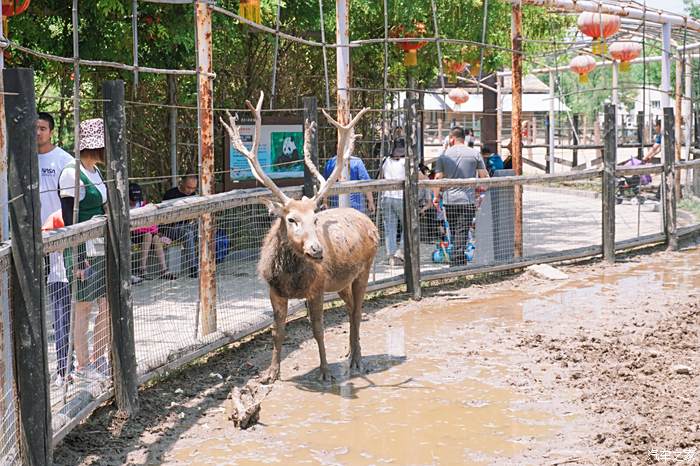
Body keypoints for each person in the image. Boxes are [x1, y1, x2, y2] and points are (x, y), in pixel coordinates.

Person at [59, 118, 110, 381]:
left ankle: (99, 358)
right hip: (81, 251)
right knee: (83, 306)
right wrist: (78, 260)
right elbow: (69, 222)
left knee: (106, 304)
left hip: (100, 247)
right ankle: (83, 365)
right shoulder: (71, 173)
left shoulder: (96, 171)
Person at [37, 112, 74, 387]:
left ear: (51, 131)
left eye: (42, 128)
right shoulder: (17, 157)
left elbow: (74, 204)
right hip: (27, 243)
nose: (37, 132)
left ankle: (65, 367)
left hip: (56, 241)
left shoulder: (64, 161)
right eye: (34, 128)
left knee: (60, 304)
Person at [432, 126, 489, 266]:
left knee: (453, 229)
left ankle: (457, 260)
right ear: (464, 138)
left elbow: (438, 177)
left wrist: (435, 197)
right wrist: (481, 192)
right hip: (467, 199)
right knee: (463, 230)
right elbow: (484, 176)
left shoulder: (444, 155)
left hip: (449, 200)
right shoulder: (474, 154)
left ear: (451, 139)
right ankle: (458, 260)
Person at [129, 183, 176, 281]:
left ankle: (164, 270)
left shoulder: (144, 205)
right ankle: (142, 269)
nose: (134, 202)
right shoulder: (123, 206)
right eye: (132, 199)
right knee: (148, 235)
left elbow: (152, 223)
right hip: (131, 233)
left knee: (155, 237)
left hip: (145, 231)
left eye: (136, 199)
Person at [161, 175, 199, 278]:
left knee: (206, 228)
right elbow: (165, 218)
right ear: (182, 183)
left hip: (188, 225)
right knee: (188, 233)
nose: (190, 191)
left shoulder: (194, 195)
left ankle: (210, 261)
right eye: (188, 187)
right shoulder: (170, 194)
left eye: (193, 188)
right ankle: (193, 267)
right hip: (171, 228)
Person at [380, 140, 406, 266]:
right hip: (401, 197)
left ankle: (391, 256)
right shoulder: (406, 161)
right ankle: (401, 251)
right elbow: (419, 177)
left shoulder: (385, 160)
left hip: (386, 196)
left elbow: (381, 176)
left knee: (390, 227)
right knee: (408, 225)